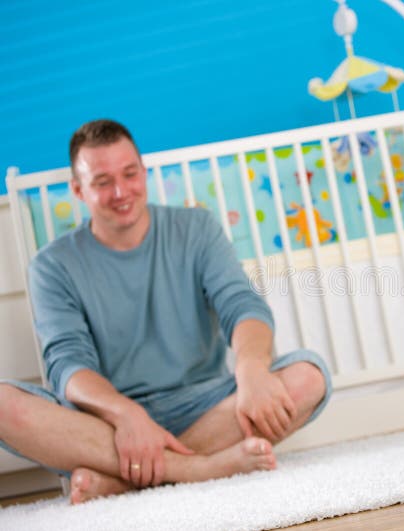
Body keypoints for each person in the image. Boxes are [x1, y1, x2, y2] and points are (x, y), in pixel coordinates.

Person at [0, 119, 332, 504]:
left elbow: (242, 306)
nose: (121, 192)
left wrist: (252, 369)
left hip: (204, 404)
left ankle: (124, 481)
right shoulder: (51, 266)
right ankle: (193, 469)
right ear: (78, 190)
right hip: (106, 421)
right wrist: (126, 415)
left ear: (144, 171)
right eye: (103, 182)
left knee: (308, 377)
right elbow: (68, 367)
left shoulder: (197, 228)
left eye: (129, 174)